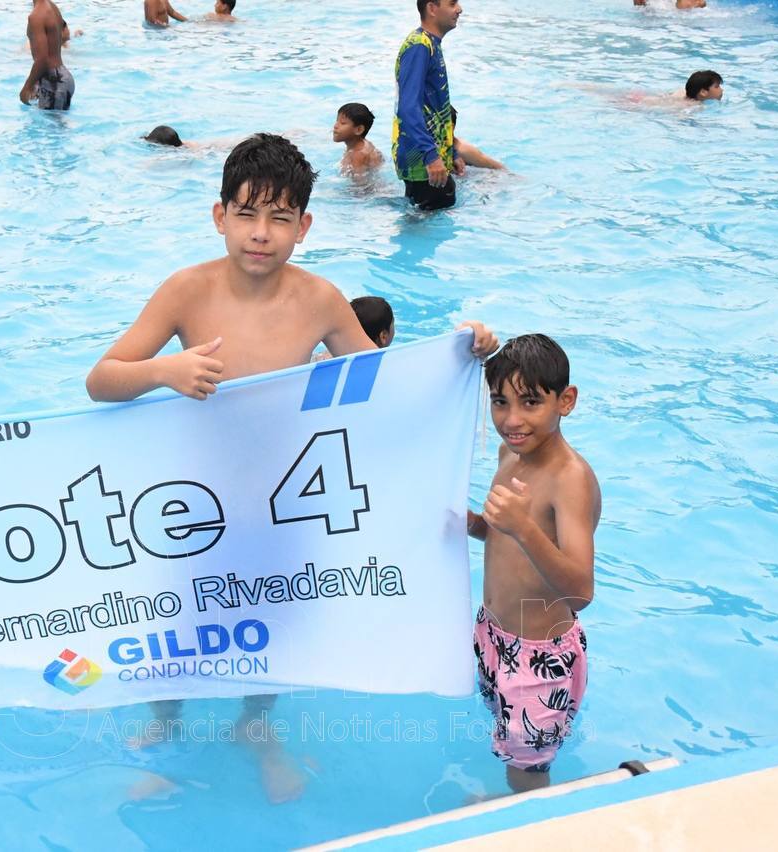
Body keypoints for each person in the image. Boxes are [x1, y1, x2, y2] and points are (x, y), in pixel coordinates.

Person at [86, 134, 497, 800]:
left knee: (270, 630)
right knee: (180, 628)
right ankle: (166, 726)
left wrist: (461, 350)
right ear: (219, 216)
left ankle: (255, 726)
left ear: (304, 226)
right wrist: (165, 371)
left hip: (282, 508)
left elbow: (389, 384)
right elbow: (101, 380)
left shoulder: (319, 301)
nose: (261, 233)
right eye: (246, 214)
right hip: (194, 508)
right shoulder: (186, 292)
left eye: (280, 218)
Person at [466, 334, 600, 794]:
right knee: (510, 747)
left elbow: (580, 591)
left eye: (530, 402)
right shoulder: (510, 453)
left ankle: (532, 817)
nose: (512, 420)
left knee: (527, 772)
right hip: (493, 634)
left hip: (538, 659)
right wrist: (471, 523)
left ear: (566, 401)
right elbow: (498, 533)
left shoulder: (570, 479)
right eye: (499, 402)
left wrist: (524, 527)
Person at [394, 0, 463, 211]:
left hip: (429, 156)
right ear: (432, 8)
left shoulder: (430, 43)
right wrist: (431, 156)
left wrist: (451, 153)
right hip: (423, 160)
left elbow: (431, 106)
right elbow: (408, 108)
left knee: (423, 217)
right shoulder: (419, 46)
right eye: (452, 3)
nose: (459, 9)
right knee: (426, 222)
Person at [21, 0, 72, 110]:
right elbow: (63, 36)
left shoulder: (36, 16)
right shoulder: (52, 7)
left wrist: (27, 87)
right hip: (63, 77)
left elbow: (42, 60)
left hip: (54, 82)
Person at [332, 102, 384, 177]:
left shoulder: (357, 155)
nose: (335, 126)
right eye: (337, 121)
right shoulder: (365, 144)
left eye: (342, 123)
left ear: (359, 130)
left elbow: (360, 182)